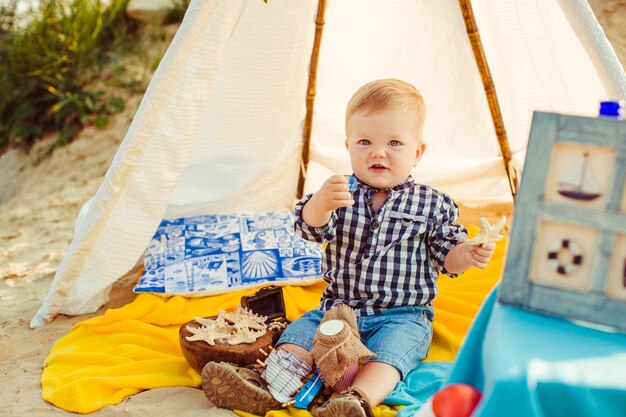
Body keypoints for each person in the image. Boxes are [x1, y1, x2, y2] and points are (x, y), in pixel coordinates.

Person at [201, 79, 496, 417]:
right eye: (365, 141)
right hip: (339, 309)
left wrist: (468, 254)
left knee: (391, 356)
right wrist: (320, 205)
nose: (378, 152)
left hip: (402, 314)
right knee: (300, 336)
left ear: (417, 152)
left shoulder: (433, 204)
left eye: (395, 142)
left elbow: (449, 260)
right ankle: (263, 386)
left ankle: (355, 400)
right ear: (349, 146)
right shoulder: (339, 191)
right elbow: (308, 229)